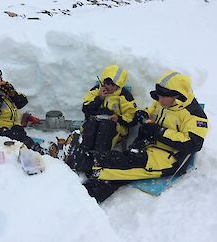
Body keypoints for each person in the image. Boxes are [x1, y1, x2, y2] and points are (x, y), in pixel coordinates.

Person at [64, 70, 209, 203]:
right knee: (123, 168)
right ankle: (89, 193)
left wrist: (158, 131)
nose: (158, 100)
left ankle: (84, 160)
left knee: (127, 162)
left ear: (177, 96)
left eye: (162, 96)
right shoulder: (163, 102)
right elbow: (148, 111)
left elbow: (193, 143)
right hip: (146, 145)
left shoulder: (195, 116)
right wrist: (143, 115)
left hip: (167, 159)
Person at [81, 65, 138, 152]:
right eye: (107, 84)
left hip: (116, 127)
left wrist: (118, 118)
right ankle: (85, 153)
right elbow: (86, 109)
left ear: (118, 86)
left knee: (105, 128)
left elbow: (132, 118)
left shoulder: (124, 96)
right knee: (91, 126)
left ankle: (100, 155)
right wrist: (99, 99)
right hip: (95, 122)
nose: (109, 87)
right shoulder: (96, 90)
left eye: (113, 85)